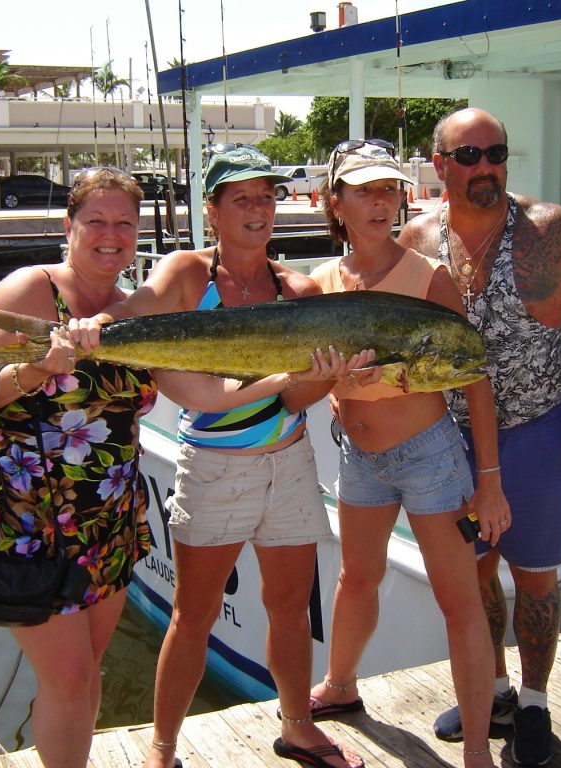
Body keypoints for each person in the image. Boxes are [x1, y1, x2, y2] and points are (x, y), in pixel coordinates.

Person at [0, 167, 345, 768]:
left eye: (125, 223)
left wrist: (315, 377)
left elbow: (206, 394)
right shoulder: (33, 288)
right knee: (73, 676)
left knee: (87, 678)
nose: (112, 234)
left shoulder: (131, 314)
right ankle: (158, 752)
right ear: (69, 226)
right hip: (27, 515)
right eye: (96, 221)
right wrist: (39, 365)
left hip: (107, 513)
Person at [70, 146, 367, 768]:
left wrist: (329, 377)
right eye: (241, 198)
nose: (257, 210)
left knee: (289, 607)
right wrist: (94, 326)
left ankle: (297, 725)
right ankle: (163, 747)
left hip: (288, 462)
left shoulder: (301, 289)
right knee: (195, 614)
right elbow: (134, 311)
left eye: (266, 196)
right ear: (213, 210)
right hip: (212, 468)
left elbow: (298, 399)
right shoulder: (186, 275)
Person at [399, 107, 561, 767]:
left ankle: (534, 703)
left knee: (537, 575)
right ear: (439, 166)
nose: (486, 167)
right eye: (468, 157)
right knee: (472, 575)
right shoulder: (415, 240)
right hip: (449, 437)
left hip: (539, 432)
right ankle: (490, 688)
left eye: (495, 152)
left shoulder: (551, 231)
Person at [303, 138, 511, 768]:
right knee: (355, 578)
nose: (378, 202)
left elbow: (475, 380)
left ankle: (476, 749)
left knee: (459, 600)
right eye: (363, 190)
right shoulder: (318, 285)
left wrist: (490, 481)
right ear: (334, 202)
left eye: (388, 189)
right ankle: (340, 685)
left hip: (430, 459)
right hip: (358, 457)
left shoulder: (430, 278)